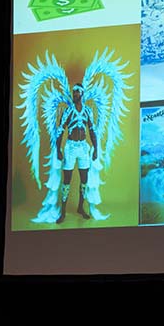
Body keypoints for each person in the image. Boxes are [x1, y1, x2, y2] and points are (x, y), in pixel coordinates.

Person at [55, 83, 98, 223]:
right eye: (73, 93)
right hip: (71, 147)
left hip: (84, 147)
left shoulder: (87, 111)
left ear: (82, 94)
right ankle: (63, 211)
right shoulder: (68, 111)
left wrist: (95, 148)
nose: (74, 95)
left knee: (84, 179)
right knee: (67, 179)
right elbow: (60, 129)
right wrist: (58, 149)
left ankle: (80, 207)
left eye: (77, 93)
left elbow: (92, 130)